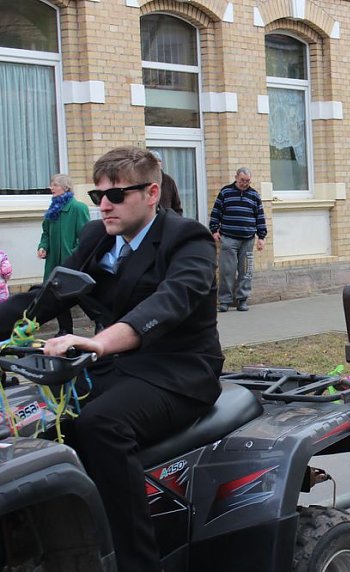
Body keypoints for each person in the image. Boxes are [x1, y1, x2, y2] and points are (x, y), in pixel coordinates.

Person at [0, 146, 223, 572]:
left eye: (116, 195)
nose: (104, 205)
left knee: (100, 425)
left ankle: (136, 560)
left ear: (152, 193)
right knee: (36, 420)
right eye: (97, 195)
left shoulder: (187, 239)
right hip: (116, 368)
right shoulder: (96, 237)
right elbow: (47, 297)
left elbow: (169, 302)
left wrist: (100, 342)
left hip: (177, 372)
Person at [37, 174, 91, 334]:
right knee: (56, 294)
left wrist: (74, 254)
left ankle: (100, 321)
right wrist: (43, 246)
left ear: (65, 187)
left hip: (73, 262)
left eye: (54, 185)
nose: (51, 188)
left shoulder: (78, 208)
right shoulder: (53, 209)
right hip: (54, 261)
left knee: (80, 294)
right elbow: (45, 233)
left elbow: (84, 236)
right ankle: (65, 329)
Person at [209, 167, 267, 312]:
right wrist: (214, 230)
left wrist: (261, 237)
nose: (244, 183)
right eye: (242, 180)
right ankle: (224, 301)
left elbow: (260, 217)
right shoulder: (225, 192)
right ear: (236, 178)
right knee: (226, 271)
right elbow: (216, 212)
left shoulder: (254, 195)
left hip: (248, 240)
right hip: (228, 238)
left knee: (246, 271)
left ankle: (242, 300)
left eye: (247, 181)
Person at [150, 150, 183, 216]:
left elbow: (177, 208)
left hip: (167, 220)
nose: (156, 164)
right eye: (152, 162)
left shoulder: (169, 181)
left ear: (161, 164)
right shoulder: (142, 181)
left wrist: (175, 220)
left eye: (158, 161)